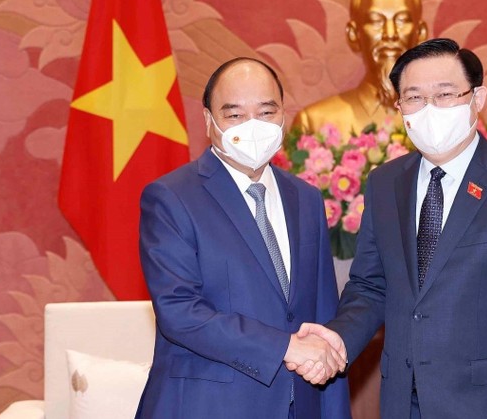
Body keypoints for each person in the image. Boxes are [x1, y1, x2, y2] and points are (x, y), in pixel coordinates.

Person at [295, 39, 487, 418]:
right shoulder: (385, 183)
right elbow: (371, 285)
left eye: (444, 94)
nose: (428, 109)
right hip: (402, 402)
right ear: (399, 107)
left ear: (477, 98)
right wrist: (339, 337)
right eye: (414, 98)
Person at [135, 57, 351, 419]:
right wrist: (284, 347)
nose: (252, 126)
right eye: (234, 114)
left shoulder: (307, 198)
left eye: (266, 112)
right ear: (208, 121)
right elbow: (180, 312)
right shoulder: (171, 197)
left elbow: (322, 317)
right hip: (207, 407)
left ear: (283, 115)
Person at [292, 0, 427, 137]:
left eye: (402, 20)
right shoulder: (315, 123)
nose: (390, 34)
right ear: (354, 34)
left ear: (420, 33)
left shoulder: (443, 120)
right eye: (375, 21)